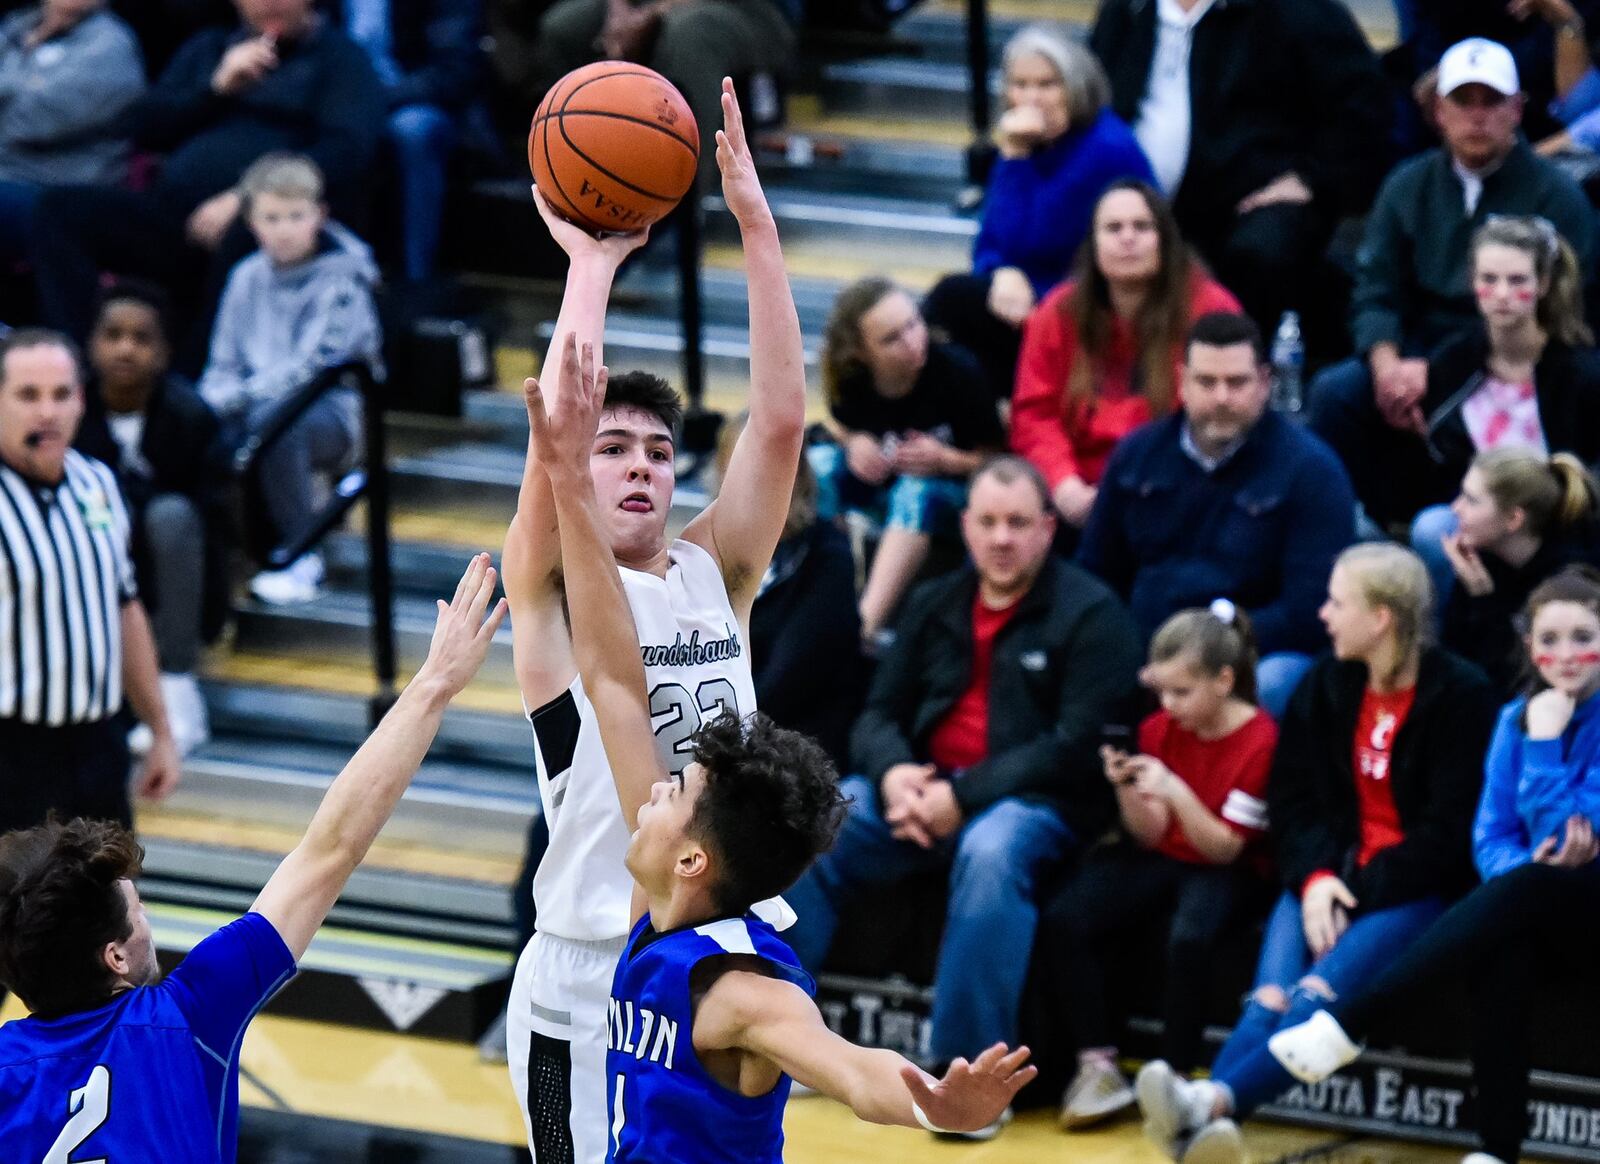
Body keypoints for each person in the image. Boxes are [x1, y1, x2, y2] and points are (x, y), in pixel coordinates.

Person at [523, 334, 1036, 1156]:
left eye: (674, 794)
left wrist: (936, 1106)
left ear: (692, 855)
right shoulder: (651, 917)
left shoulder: (739, 988)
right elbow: (614, 679)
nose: (655, 789)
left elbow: (851, 1069)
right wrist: (562, 471)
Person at [501, 81, 808, 1164]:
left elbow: (778, 424)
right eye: (613, 448)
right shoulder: (551, 592)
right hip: (587, 973)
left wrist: (754, 225)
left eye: (657, 451)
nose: (637, 465)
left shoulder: (711, 572)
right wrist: (590, 268)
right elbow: (557, 429)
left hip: (708, 958)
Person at [0, 554, 507, 1159]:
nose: (146, 921)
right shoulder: (186, 1015)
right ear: (114, 957)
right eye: (135, 912)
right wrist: (435, 683)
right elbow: (331, 848)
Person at [784, 456, 1145, 1142]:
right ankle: (794, 1041)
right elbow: (876, 714)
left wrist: (962, 793)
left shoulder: (1093, 614)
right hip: (925, 791)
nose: (1001, 538)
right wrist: (894, 774)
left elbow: (1073, 747)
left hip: (1040, 807)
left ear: (1047, 529)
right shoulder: (937, 601)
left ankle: (965, 1082)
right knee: (823, 819)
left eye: (1018, 523)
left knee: (992, 848)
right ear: (966, 527)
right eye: (987, 523)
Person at [1134, 543, 1498, 1164]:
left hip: (1410, 891)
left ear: (1380, 617)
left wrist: (1350, 891)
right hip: (1322, 878)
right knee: (1268, 1001)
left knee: (1309, 1003)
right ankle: (1208, 1121)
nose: (1323, 614)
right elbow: (1295, 804)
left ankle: (1205, 1108)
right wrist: (1319, 878)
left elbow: (1447, 835)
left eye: (1337, 601)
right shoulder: (1325, 685)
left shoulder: (1462, 696)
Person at [1264, 566, 1600, 1164]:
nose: (1566, 654)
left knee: (1528, 890)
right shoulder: (1510, 719)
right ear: (1529, 647)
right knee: (1503, 949)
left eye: (1583, 637)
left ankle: (1352, 1020)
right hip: (1536, 900)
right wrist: (1526, 867)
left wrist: (1546, 746)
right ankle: (1496, 1151)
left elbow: (1572, 837)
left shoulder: (1544, 725)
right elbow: (1491, 838)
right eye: (1549, 639)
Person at [1308, 38, 1598, 531]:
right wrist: (1386, 364)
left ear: (1518, 110)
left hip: (1512, 351)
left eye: (1492, 102)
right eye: (1464, 101)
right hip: (1414, 344)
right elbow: (1375, 286)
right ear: (1438, 110)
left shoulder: (1558, 196)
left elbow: (1571, 304)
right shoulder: (1408, 184)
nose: (1477, 117)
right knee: (1335, 394)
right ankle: (1364, 526)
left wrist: (1441, 368)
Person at [29, 0, 386, 363]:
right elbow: (146, 128)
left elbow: (347, 151)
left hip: (266, 222)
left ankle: (189, 387)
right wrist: (215, 89)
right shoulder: (210, 48)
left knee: (258, 226)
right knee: (60, 210)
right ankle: (83, 365)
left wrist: (250, 195)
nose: (268, 3)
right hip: (175, 217)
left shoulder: (340, 59)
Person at [1044, 601, 1275, 1130]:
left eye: (1182, 693)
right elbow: (1148, 834)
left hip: (1228, 866)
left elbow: (1225, 848)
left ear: (1223, 680)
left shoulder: (1261, 739)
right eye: (1162, 691)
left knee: (1189, 939)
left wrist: (1175, 789)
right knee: (1067, 916)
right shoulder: (1156, 729)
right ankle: (1096, 1060)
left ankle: (1176, 1077)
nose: (1169, 706)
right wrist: (1127, 787)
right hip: (1167, 854)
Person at [1078, 312, 1355, 718]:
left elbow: (1309, 611)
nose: (1222, 397)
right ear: (1182, 382)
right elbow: (1097, 571)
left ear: (1265, 383)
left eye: (1237, 383)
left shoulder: (1312, 472)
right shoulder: (1135, 458)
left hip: (1251, 655)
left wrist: (1201, 654)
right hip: (1142, 646)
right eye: (1207, 382)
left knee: (1276, 681)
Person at [1088, 0, 1389, 337]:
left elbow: (1364, 105)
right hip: (1136, 199)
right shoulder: (1127, 10)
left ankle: (1243, 375)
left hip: (1246, 208)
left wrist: (1313, 178)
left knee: (1262, 252)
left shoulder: (1298, 12)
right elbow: (1091, 100)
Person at [0, 328, 182, 836]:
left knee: (115, 906)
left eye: (62, 394)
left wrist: (161, 730)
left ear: (82, 401)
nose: (47, 413)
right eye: (28, 395)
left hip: (98, 743)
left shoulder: (97, 483)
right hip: (11, 752)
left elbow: (124, 609)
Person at [921, 26, 1154, 401]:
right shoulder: (1036, 144)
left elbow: (1038, 238)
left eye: (1047, 85)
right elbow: (989, 242)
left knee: (955, 301)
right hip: (1038, 293)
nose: (1031, 98)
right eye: (1020, 84)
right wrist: (1001, 270)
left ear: (1076, 87)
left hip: (1095, 301)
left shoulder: (1103, 148)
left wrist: (1013, 158)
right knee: (954, 305)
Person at [198, 153, 383, 607]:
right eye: (271, 217)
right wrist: (206, 406)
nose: (283, 229)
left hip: (334, 415)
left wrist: (230, 401)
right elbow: (222, 361)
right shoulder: (244, 277)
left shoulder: (345, 279)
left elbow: (312, 368)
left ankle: (301, 555)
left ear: (319, 215)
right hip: (251, 406)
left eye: (296, 216)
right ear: (251, 221)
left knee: (279, 424)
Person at [1011, 181, 1240, 529]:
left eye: (1142, 227)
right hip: (1075, 495)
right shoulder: (1057, 313)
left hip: (1176, 493)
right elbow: (1034, 414)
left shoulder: (1211, 310)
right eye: (1113, 228)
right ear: (1094, 244)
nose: (1127, 238)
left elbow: (1219, 413)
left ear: (1164, 239)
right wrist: (1064, 485)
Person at [1402, 216, 1600, 601]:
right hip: (1481, 518)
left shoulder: (1581, 375)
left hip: (1559, 525)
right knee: (1432, 527)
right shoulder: (1454, 361)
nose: (1502, 294)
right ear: (1473, 283)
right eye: (1489, 280)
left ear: (1542, 284)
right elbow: (1440, 457)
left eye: (1517, 281)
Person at [75, 281, 231, 757]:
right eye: (113, 334)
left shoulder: (191, 416)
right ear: (92, 344)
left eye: (141, 338)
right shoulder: (69, 408)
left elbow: (213, 522)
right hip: (99, 561)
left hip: (173, 571)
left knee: (170, 516)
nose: (125, 348)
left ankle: (177, 683)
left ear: (163, 352)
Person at [813, 277, 1005, 644]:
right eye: (891, 339)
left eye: (914, 324)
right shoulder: (853, 380)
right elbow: (839, 424)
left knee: (915, 491)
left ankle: (862, 629)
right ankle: (821, 594)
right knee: (819, 465)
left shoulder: (957, 371)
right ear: (861, 354)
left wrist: (947, 460)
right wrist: (855, 441)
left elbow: (1000, 461)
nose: (913, 341)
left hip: (946, 498)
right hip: (881, 491)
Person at [714, 413, 862, 769]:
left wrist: (707, 741)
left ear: (798, 475)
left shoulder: (827, 557)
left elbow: (788, 682)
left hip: (795, 755)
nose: (757, 479)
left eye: (771, 464)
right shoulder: (710, 555)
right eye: (743, 466)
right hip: (725, 745)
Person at [527, 0, 794, 181]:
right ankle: (569, 175)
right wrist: (618, 11)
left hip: (748, 10)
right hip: (645, 4)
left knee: (691, 35)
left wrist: (652, 14)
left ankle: (678, 197)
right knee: (561, 28)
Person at [335, 0, 483, 283]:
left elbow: (454, 70)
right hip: (339, 96)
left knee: (413, 132)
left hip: (414, 99)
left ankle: (417, 278)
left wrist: (372, 101)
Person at [1440, 450, 1600, 693]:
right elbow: (1455, 656)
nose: (1455, 508)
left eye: (1471, 500)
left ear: (1514, 519)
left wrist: (1484, 600)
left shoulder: (1569, 578)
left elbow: (1525, 681)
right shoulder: (1483, 558)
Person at [0, 0, 144, 264]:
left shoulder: (111, 47)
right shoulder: (16, 26)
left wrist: (10, 89)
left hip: (56, 194)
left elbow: (34, 121)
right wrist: (26, 87)